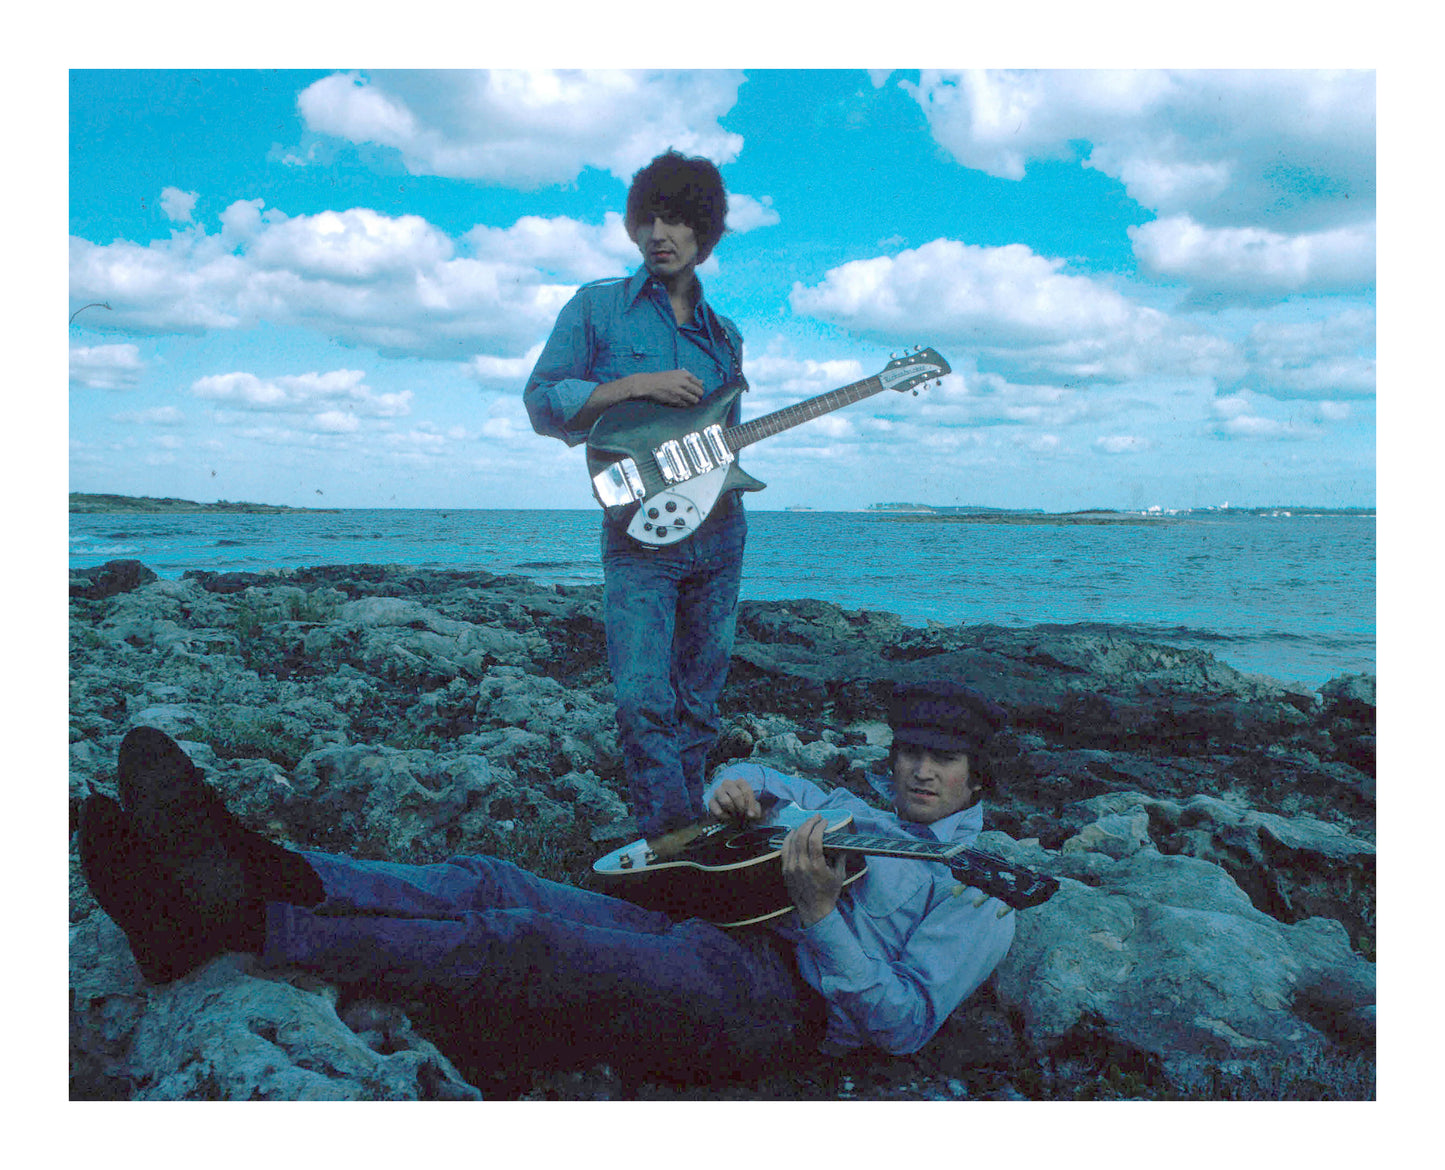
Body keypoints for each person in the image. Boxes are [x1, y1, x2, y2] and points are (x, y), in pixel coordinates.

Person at [77, 681, 1017, 1081]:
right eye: (908, 755)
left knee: (519, 941)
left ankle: (238, 924)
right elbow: (779, 786)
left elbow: (898, 1028)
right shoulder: (863, 807)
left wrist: (822, 919)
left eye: (941, 762)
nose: (918, 775)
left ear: (980, 776)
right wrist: (740, 788)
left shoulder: (976, 891)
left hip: (783, 1012)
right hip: (720, 934)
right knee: (489, 877)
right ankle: (263, 864)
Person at [523, 149, 748, 840]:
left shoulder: (724, 338)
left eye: (677, 220)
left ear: (702, 235)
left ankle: (689, 835)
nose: (659, 233)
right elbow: (541, 402)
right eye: (647, 217)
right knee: (642, 699)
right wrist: (632, 387)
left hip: (718, 532)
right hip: (636, 535)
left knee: (699, 703)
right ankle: (669, 834)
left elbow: (721, 446)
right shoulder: (597, 309)